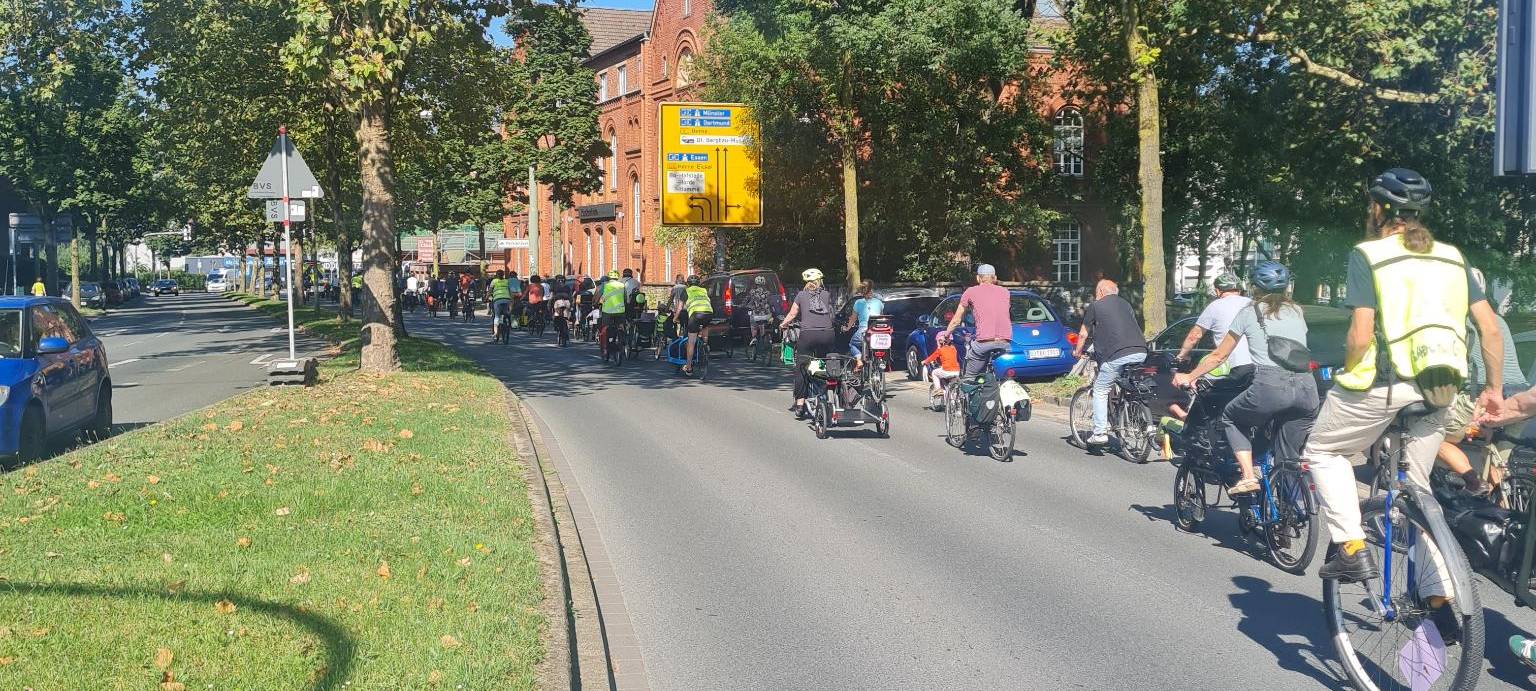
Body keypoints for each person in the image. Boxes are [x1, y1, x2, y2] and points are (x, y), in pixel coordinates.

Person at [1306, 167, 1504, 587]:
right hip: (1440, 388)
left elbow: (1361, 333)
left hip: (1385, 383)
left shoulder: (1369, 255)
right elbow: (1488, 328)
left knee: (1324, 451)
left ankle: (1352, 548)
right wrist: (1493, 389)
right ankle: (1440, 596)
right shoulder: (1453, 257)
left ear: (1379, 210)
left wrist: (1347, 366)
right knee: (1419, 494)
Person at [1173, 262, 1318, 495]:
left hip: (1270, 385)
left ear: (1254, 288)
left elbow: (1219, 356)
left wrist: (1189, 375)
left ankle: (1249, 476)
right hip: (1307, 388)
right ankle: (1288, 507)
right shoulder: (1297, 311)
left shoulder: (1250, 312)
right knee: (1286, 456)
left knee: (1231, 418)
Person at [1434, 267, 1528, 496]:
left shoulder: (1459, 323)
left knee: (1429, 435)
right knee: (1500, 458)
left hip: (1483, 397)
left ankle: (1473, 481)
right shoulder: (1499, 321)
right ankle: (1501, 503)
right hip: (1516, 397)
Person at [1072, 279, 1148, 447]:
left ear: (1100, 292)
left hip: (1117, 354)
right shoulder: (1126, 304)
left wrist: (1078, 352)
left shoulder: (1096, 306)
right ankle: (1129, 412)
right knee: (1127, 385)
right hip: (1141, 351)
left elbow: (1084, 333)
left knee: (1100, 389)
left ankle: (1099, 432)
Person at [1175, 272, 1252, 388]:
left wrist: (1182, 356)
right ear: (1239, 290)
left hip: (1236, 366)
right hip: (1262, 367)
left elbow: (1194, 336)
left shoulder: (1215, 306)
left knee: (1205, 394)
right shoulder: (1253, 304)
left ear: (1218, 291)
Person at [941, 264, 1012, 378]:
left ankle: (970, 386)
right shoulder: (1005, 292)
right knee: (1003, 375)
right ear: (995, 278)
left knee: (970, 376)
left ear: (978, 278)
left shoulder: (970, 291)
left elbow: (956, 320)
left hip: (984, 342)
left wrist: (946, 335)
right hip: (1005, 343)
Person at [780, 268, 835, 417]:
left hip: (808, 335)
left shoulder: (801, 295)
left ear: (806, 283)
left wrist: (783, 324)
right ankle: (825, 391)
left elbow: (792, 313)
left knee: (801, 367)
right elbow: (831, 314)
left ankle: (800, 404)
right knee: (824, 361)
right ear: (820, 282)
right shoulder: (827, 294)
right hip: (827, 335)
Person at [845, 280, 884, 367]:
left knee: (852, 344)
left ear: (862, 291)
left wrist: (847, 328)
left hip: (864, 331)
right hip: (878, 331)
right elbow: (881, 317)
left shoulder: (858, 303)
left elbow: (853, 319)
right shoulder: (879, 303)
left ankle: (859, 360)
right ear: (872, 290)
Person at [680, 275, 713, 374]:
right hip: (708, 312)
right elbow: (708, 301)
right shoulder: (704, 290)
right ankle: (705, 343)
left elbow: (679, 307)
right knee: (705, 325)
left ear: (688, 283)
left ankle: (689, 367)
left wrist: (674, 318)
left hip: (695, 314)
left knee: (691, 343)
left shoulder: (686, 290)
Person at [597, 270, 628, 355]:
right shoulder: (622, 285)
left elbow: (598, 296)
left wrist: (597, 303)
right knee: (621, 325)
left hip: (607, 311)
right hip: (620, 311)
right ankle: (623, 339)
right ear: (617, 277)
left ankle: (606, 347)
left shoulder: (605, 285)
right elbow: (625, 298)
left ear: (609, 278)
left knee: (605, 328)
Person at [922, 333, 961, 400]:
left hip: (947, 371)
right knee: (950, 383)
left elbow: (931, 358)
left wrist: (924, 362)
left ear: (940, 341)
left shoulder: (940, 350)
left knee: (934, 372)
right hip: (957, 371)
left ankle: (938, 389)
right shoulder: (954, 348)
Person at [745, 274, 777, 349]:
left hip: (756, 314)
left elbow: (747, 301)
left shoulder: (752, 292)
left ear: (756, 284)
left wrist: (743, 305)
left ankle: (754, 338)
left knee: (753, 325)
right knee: (763, 323)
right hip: (767, 315)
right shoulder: (768, 293)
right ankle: (764, 338)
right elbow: (771, 303)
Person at [488, 270, 513, 336]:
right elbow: (510, 292)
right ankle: (508, 324)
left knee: (496, 316)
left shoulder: (494, 281)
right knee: (507, 312)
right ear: (503, 275)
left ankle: (496, 333)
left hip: (497, 300)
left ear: (496, 275)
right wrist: (511, 300)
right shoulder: (507, 281)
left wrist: (485, 298)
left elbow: (490, 291)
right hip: (507, 299)